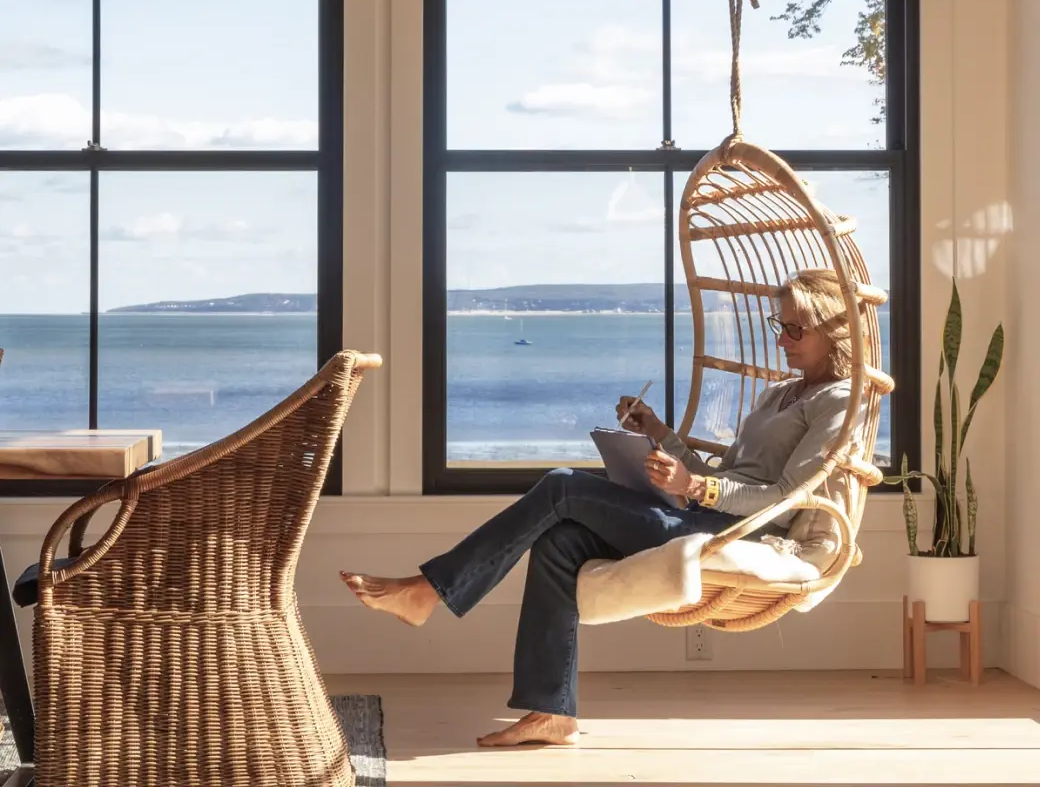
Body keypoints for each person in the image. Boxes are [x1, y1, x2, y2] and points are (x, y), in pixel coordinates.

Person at [341, 268, 864, 747]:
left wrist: (699, 489)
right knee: (559, 540)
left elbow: (787, 498)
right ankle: (551, 711)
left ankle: (430, 590)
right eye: (781, 324)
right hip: (705, 512)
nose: (781, 339)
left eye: (797, 329)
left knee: (562, 486)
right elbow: (730, 471)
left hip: (738, 532)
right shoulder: (779, 394)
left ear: (832, 330)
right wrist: (656, 433)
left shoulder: (839, 401)